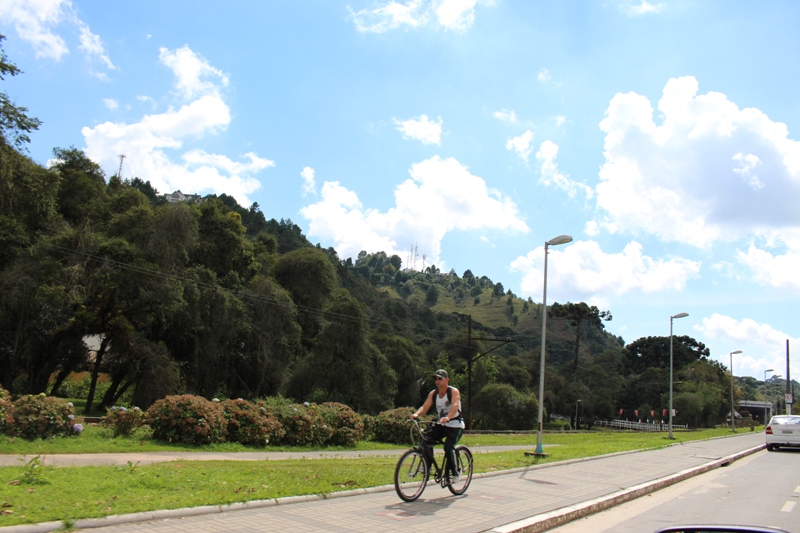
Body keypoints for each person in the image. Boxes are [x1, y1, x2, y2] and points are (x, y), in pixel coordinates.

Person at [410, 369, 464, 481]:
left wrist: (448, 417)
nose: (437, 381)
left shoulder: (453, 391)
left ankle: (455, 472)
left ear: (447, 380)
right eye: (436, 379)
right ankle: (427, 466)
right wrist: (416, 414)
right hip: (442, 424)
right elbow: (424, 407)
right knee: (426, 439)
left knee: (448, 447)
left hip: (455, 425)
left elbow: (455, 405)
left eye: (440, 378)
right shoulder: (433, 394)